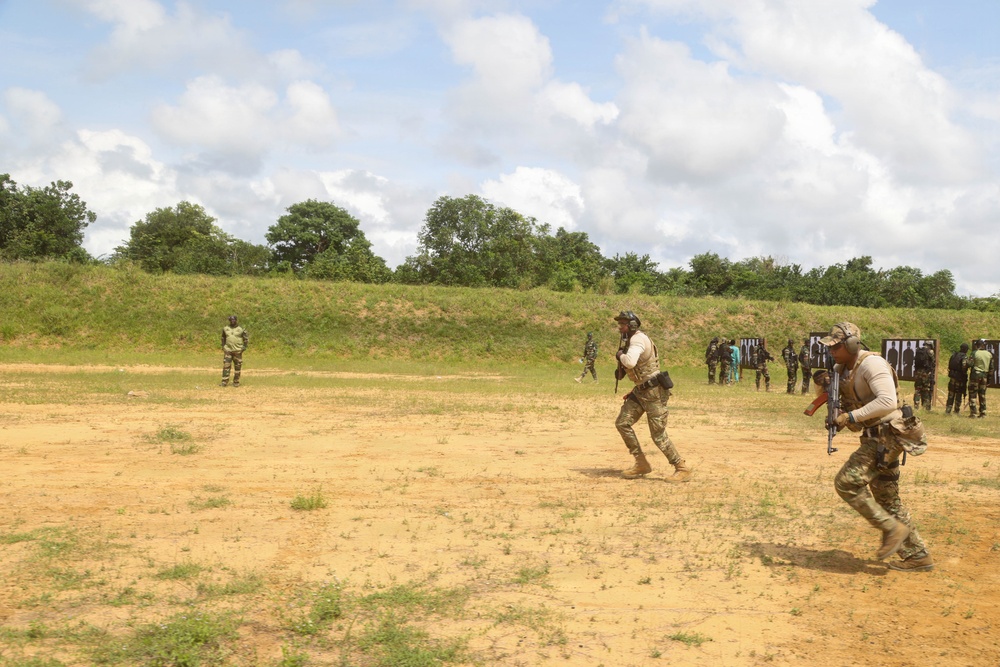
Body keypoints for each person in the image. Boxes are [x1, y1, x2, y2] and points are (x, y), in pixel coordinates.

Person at [821, 322, 933, 571]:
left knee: (846, 482)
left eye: (836, 346)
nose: (832, 351)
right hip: (876, 436)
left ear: (852, 345)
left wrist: (850, 416)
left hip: (886, 435)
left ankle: (892, 529)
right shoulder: (842, 369)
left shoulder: (872, 364)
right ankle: (917, 555)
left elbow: (887, 401)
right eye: (830, 347)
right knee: (886, 497)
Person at [613, 310, 691, 482]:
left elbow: (629, 362)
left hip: (653, 392)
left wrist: (620, 355)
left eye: (623, 324)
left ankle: (681, 467)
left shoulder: (638, 340)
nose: (620, 327)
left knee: (658, 435)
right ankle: (641, 463)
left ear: (632, 325)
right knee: (622, 423)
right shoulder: (631, 341)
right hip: (641, 391)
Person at [967, 339, 994, 419]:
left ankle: (973, 413)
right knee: (982, 395)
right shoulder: (989, 354)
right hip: (984, 376)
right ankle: (983, 413)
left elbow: (970, 364)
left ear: (976, 345)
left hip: (975, 375)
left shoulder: (974, 353)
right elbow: (991, 368)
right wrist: (989, 379)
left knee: (973, 394)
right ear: (983, 345)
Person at [220, 315, 249, 387]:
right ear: (229, 320)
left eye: (234, 320)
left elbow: (245, 339)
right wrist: (223, 346)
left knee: (237, 367)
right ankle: (224, 381)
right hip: (228, 351)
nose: (232, 321)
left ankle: (236, 382)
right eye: (231, 320)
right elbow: (223, 337)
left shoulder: (241, 329)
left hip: (237, 351)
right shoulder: (226, 328)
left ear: (236, 320)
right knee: (226, 366)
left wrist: (244, 347)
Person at [945, 343, 969, 415]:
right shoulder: (964, 357)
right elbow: (964, 366)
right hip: (960, 378)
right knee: (959, 394)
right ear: (966, 349)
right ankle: (956, 410)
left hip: (952, 376)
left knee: (951, 393)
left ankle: (948, 410)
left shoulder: (954, 355)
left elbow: (949, 365)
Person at [912, 342, 936, 411]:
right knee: (926, 390)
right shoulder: (930, 352)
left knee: (917, 390)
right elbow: (933, 363)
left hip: (918, 373)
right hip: (926, 373)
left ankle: (916, 406)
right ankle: (926, 407)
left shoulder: (918, 351)